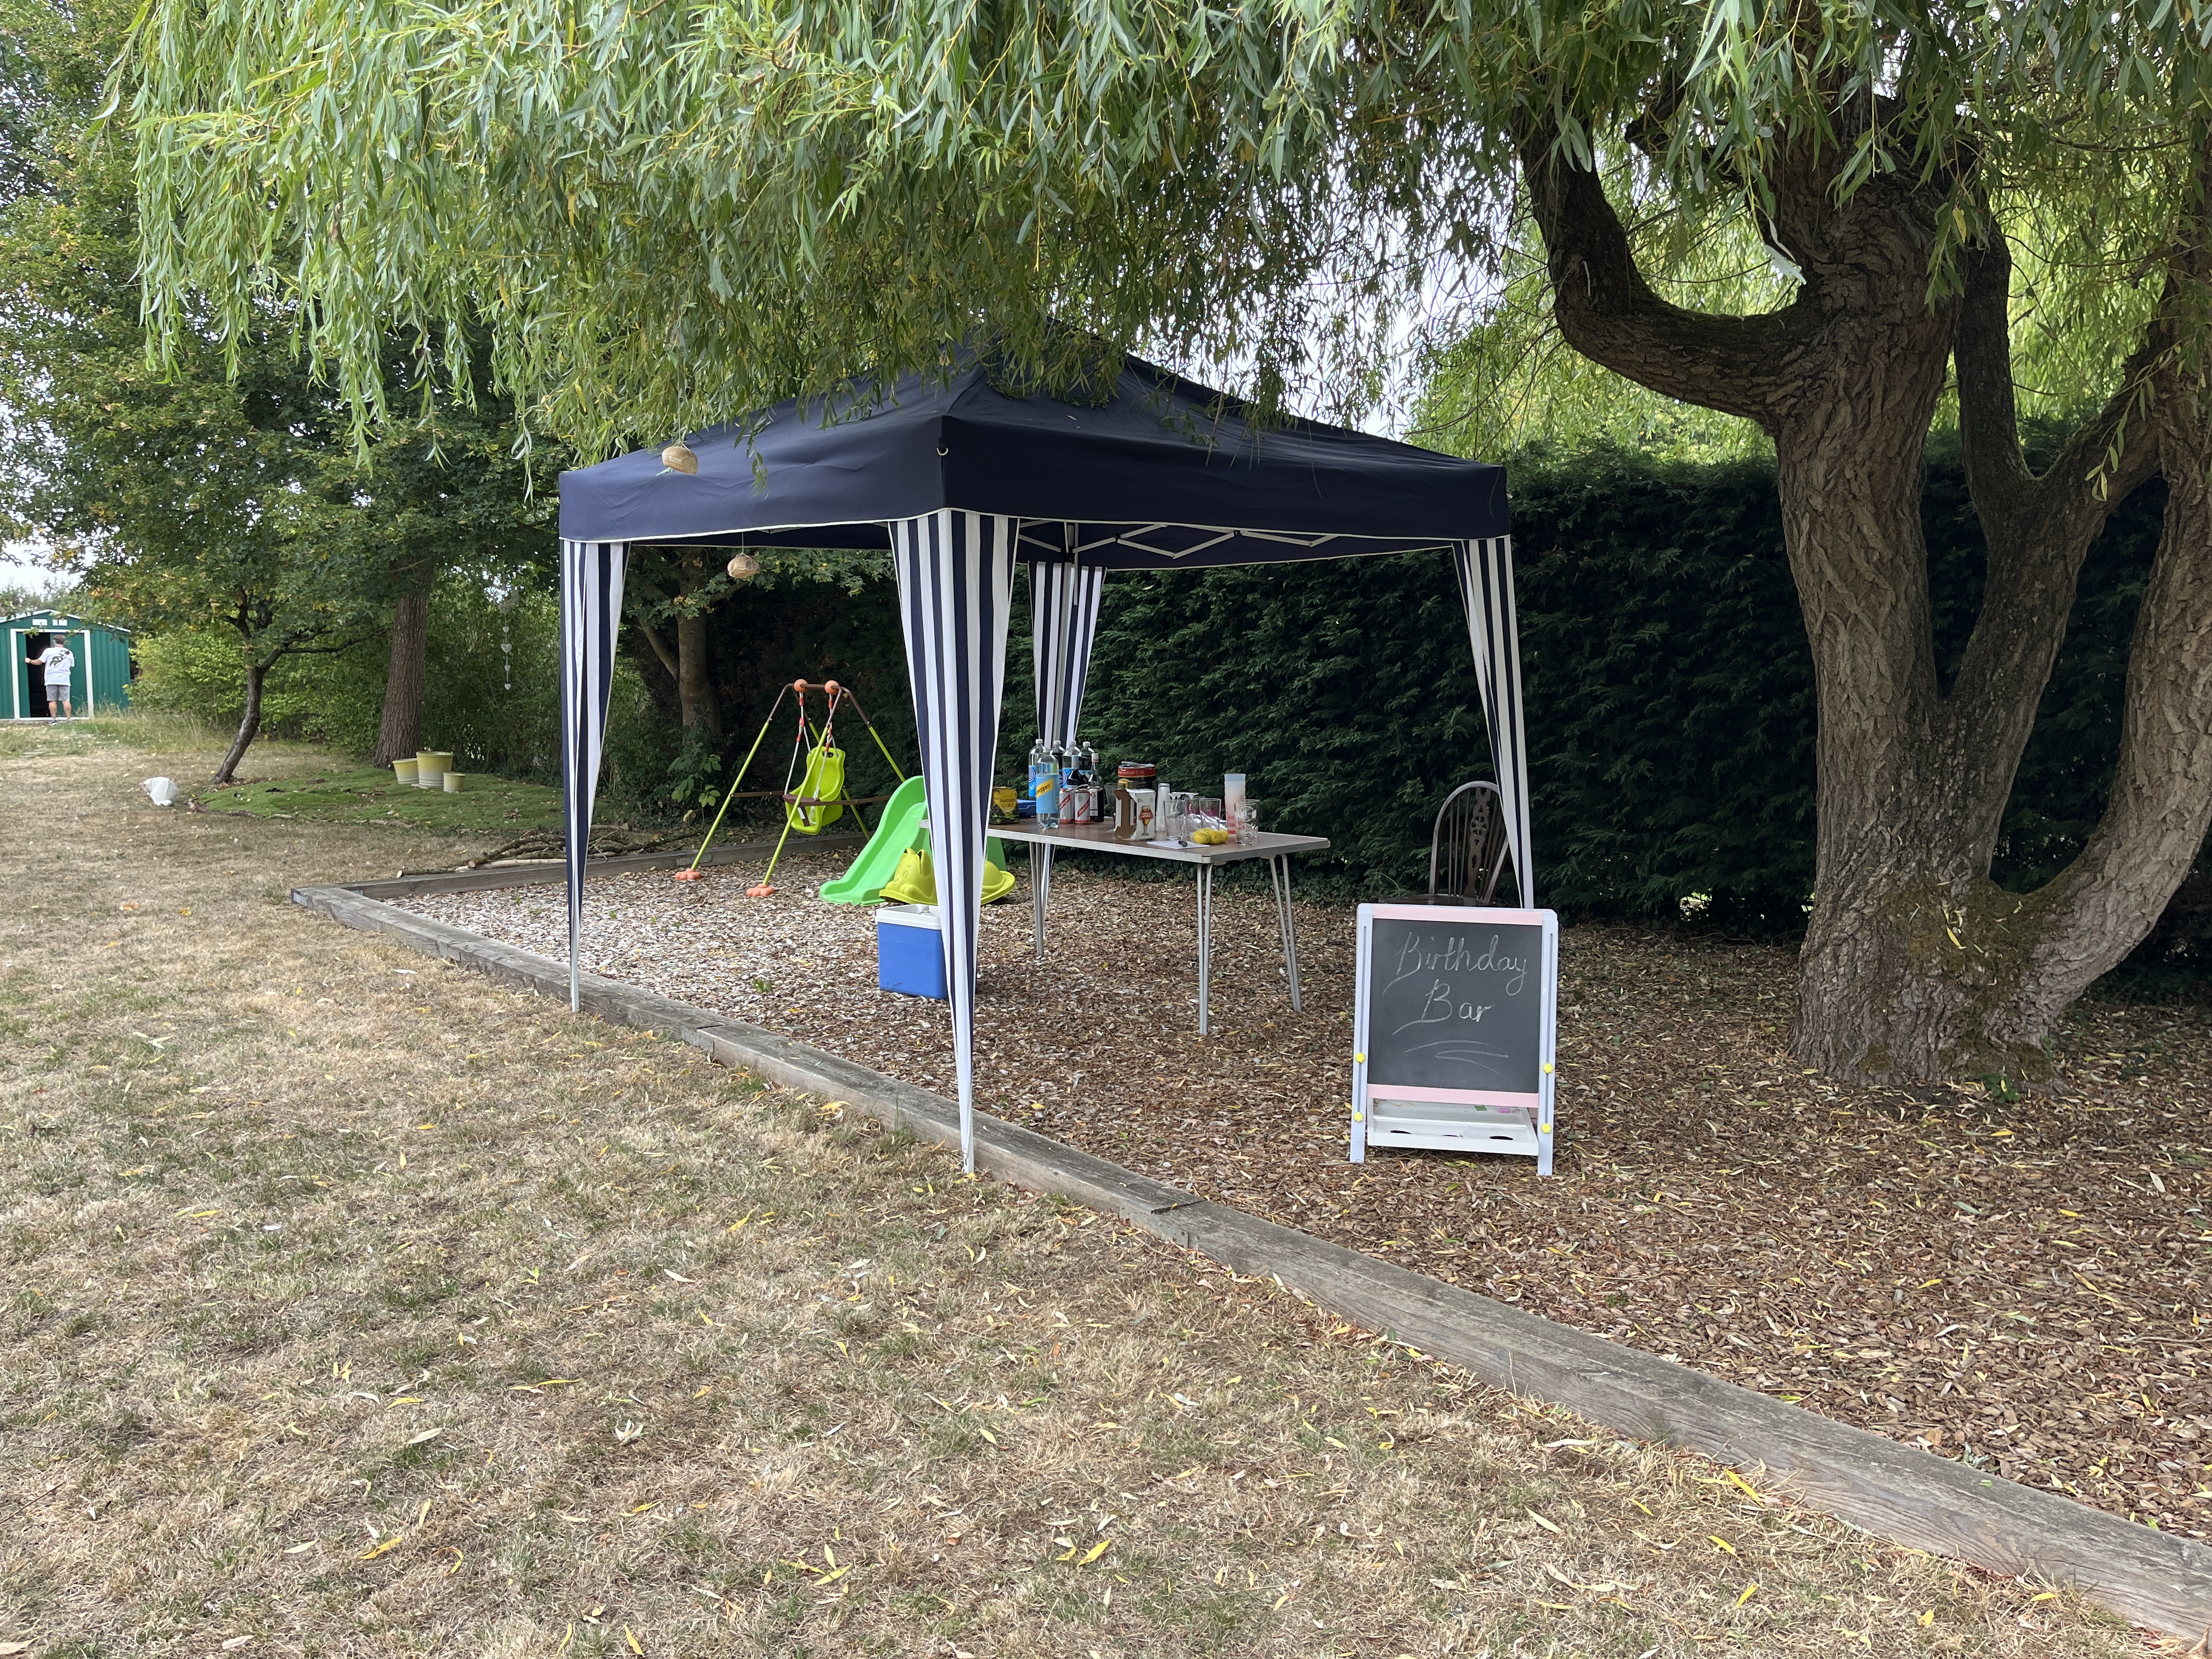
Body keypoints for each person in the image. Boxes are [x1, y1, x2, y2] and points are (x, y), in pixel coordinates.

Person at [29, 639, 74, 718]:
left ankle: (54, 720)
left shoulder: (48, 651)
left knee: (52, 700)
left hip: (51, 680)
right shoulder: (69, 653)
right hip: (64, 680)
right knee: (66, 701)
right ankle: (69, 720)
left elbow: (39, 662)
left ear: (54, 642)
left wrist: (29, 661)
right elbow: (71, 666)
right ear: (64, 642)